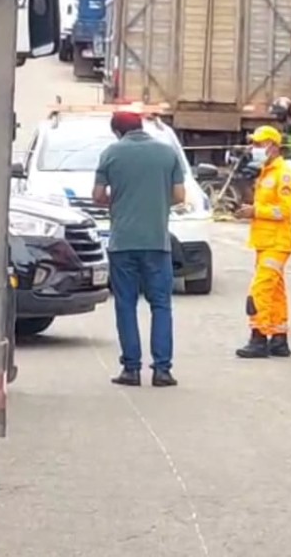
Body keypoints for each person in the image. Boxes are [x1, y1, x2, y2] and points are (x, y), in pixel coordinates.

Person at [92, 107, 186, 387]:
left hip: (122, 243)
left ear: (118, 131)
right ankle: (162, 370)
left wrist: (120, 201)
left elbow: (97, 196)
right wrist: (154, 202)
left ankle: (131, 370)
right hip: (157, 242)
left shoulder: (111, 153)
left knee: (125, 305)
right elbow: (179, 195)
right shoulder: (167, 153)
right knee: (161, 305)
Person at [233, 126, 291, 359]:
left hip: (277, 242)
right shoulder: (266, 172)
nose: (255, 149)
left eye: (259, 144)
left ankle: (259, 336)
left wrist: (255, 211)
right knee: (275, 292)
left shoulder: (283, 174)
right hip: (266, 241)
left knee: (260, 290)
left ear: (273, 145)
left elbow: (285, 210)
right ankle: (279, 338)